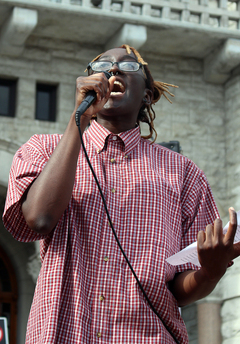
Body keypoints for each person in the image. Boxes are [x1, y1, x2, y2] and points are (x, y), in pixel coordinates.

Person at [2, 44, 240, 344]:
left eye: (128, 67)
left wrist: (210, 272)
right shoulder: (43, 149)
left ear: (147, 94)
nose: (113, 70)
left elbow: (179, 289)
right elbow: (38, 220)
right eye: (101, 66)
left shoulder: (183, 174)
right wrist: (80, 119)